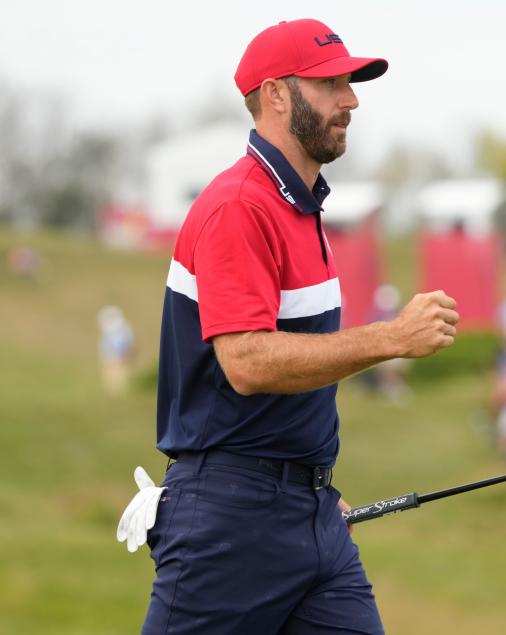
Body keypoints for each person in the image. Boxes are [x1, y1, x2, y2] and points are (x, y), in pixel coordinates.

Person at [117, 19, 459, 634]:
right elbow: (246, 363)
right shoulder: (240, 206)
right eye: (331, 84)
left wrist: (307, 488)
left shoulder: (300, 206)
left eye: (349, 84)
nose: (350, 99)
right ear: (276, 95)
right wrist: (392, 338)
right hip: (229, 525)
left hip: (312, 515)